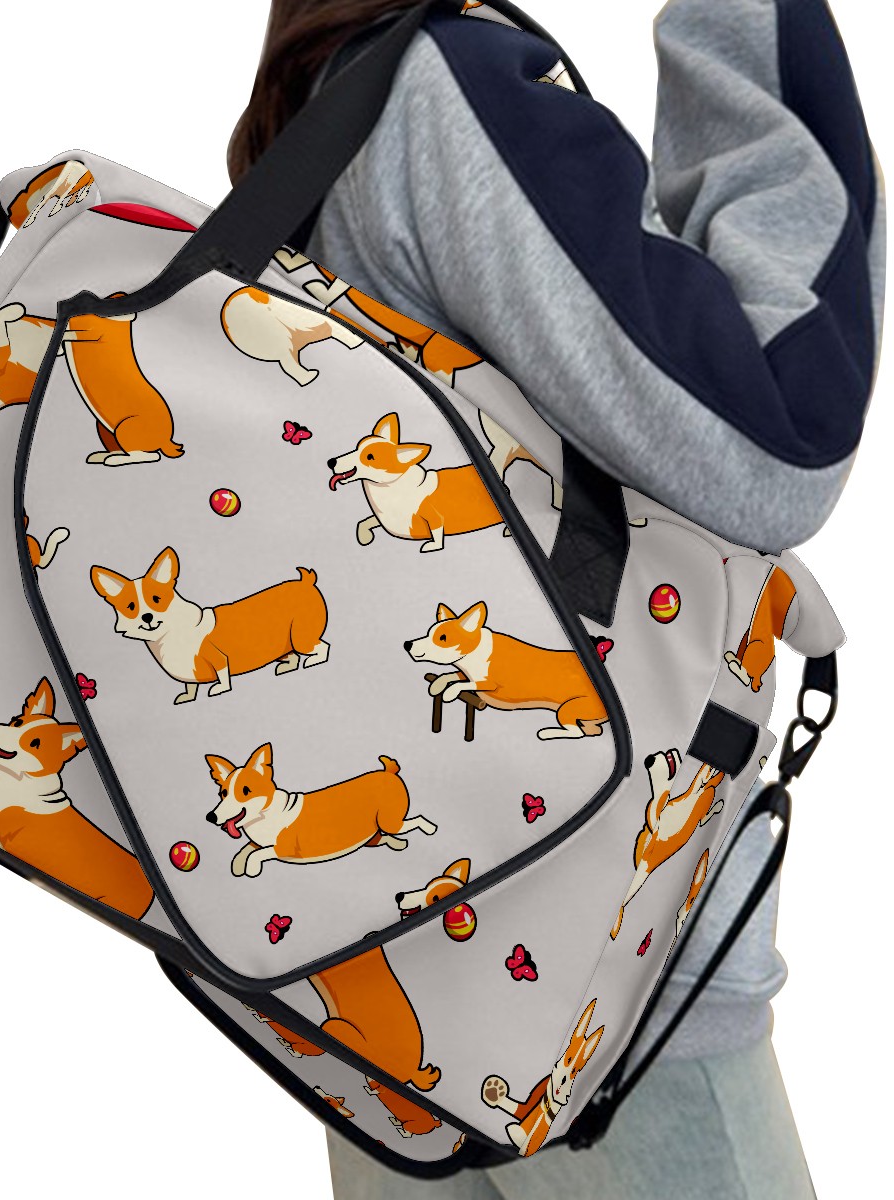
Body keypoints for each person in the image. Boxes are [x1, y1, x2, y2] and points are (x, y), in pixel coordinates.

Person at [227, 2, 884, 1196]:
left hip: (376, 986)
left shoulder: (318, 124)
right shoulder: (449, 91)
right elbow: (779, 434)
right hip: (601, 998)